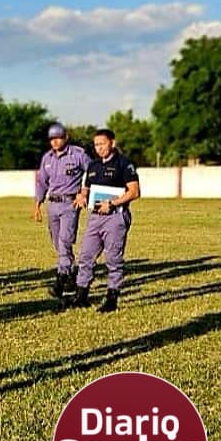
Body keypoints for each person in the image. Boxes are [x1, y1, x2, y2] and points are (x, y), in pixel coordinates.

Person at [68, 128, 140, 312]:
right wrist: (81, 196)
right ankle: (81, 295)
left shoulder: (124, 164)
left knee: (113, 258)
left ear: (112, 143)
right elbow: (86, 188)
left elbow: (134, 192)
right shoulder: (93, 166)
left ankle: (112, 298)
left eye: (102, 144)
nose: (98, 148)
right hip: (95, 216)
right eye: (96, 145)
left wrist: (113, 203)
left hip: (115, 217)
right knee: (85, 256)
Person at [33, 123, 90, 297]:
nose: (55, 142)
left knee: (65, 241)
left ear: (66, 137)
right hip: (53, 203)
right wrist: (37, 203)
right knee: (57, 242)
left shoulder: (78, 155)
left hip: (70, 204)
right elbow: (42, 181)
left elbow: (94, 173)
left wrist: (84, 192)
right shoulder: (47, 158)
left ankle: (60, 279)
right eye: (52, 139)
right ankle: (72, 274)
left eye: (58, 137)